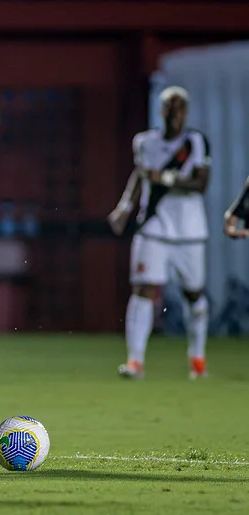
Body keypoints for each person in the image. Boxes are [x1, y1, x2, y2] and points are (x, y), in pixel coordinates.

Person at [108, 86, 211, 380]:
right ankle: (135, 362)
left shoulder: (196, 142)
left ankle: (198, 359)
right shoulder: (144, 142)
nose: (174, 114)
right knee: (143, 290)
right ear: (162, 111)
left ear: (186, 112)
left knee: (194, 295)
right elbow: (140, 175)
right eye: (169, 107)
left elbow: (201, 184)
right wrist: (124, 207)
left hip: (189, 230)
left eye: (180, 108)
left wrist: (164, 177)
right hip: (153, 226)